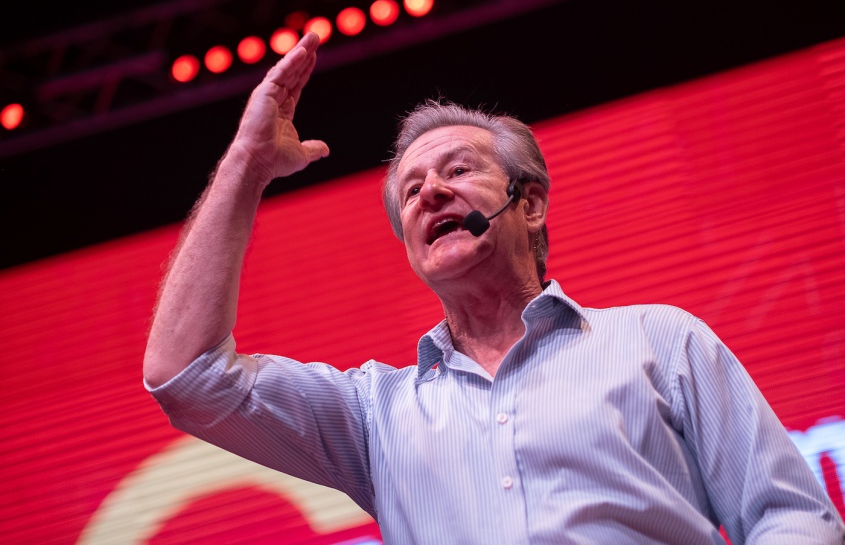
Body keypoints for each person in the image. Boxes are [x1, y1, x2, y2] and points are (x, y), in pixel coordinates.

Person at [143, 32, 845, 544]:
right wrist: (246, 163)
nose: (430, 192)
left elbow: (789, 514)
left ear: (529, 203)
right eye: (410, 190)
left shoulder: (659, 340)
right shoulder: (375, 416)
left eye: (457, 170)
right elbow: (185, 376)